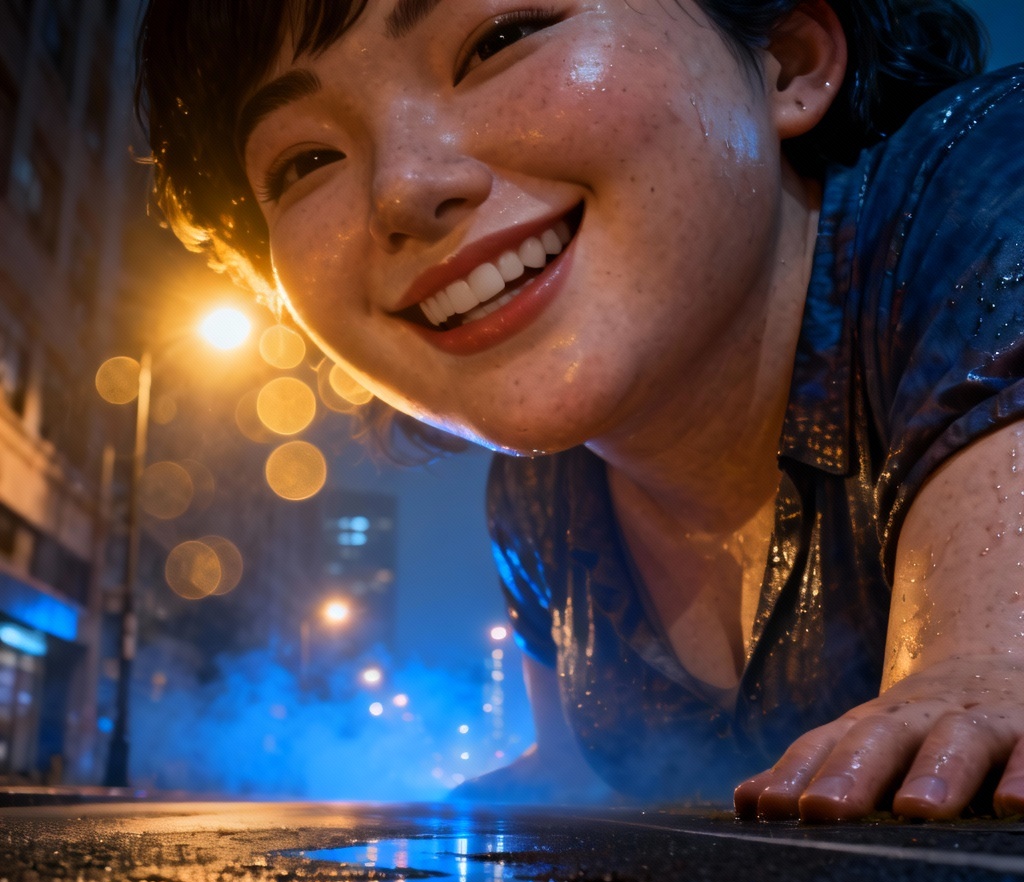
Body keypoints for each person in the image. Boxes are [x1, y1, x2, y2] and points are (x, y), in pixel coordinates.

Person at [135, 0, 1024, 820]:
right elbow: (561, 774)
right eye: (304, 161)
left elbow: (987, 678)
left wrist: (978, 664)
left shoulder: (986, 179)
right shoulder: (537, 498)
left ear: (787, 60)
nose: (402, 189)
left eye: (497, 40)